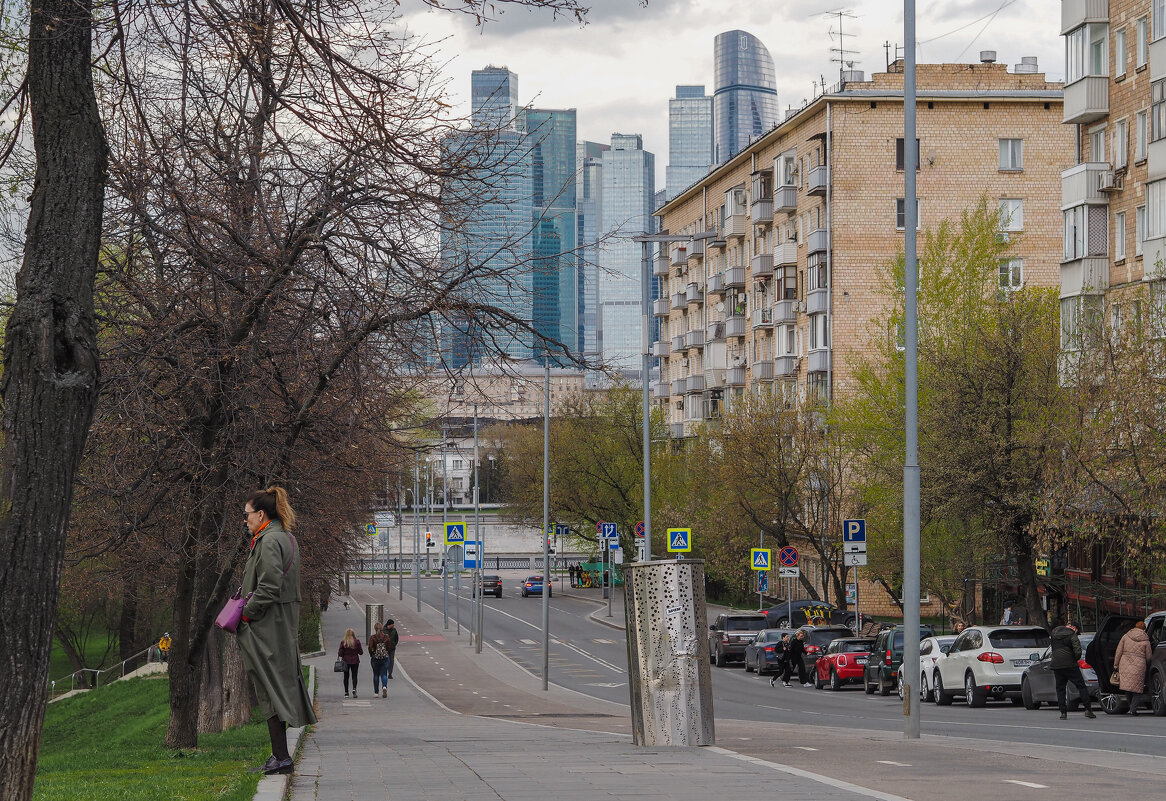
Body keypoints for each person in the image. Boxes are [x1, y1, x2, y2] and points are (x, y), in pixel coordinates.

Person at [237, 486, 316, 776]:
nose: (244, 520)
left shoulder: (269, 541)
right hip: (280, 622)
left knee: (269, 688)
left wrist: (246, 612)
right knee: (274, 687)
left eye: (246, 515)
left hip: (268, 625)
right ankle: (279, 756)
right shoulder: (285, 537)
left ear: (261, 514)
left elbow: (269, 587)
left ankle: (281, 758)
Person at [1049, 619, 1096, 720]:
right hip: (1070, 665)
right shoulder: (1071, 634)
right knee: (1081, 686)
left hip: (1056, 665)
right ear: (1074, 628)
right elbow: (1078, 651)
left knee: (1060, 689)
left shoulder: (1054, 633)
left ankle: (1063, 713)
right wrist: (1074, 658)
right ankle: (1088, 710)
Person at [1114, 621, 1153, 715]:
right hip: (1139, 665)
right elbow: (1149, 657)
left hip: (1125, 663)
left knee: (1127, 687)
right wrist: (1148, 664)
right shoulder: (1146, 640)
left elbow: (1118, 651)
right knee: (1137, 689)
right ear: (1144, 629)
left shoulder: (1126, 636)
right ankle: (1133, 709)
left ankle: (1131, 707)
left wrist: (1116, 665)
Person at [338, 627, 363, 697]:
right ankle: (354, 690)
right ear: (353, 634)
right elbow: (361, 652)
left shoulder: (343, 642)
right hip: (355, 661)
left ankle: (346, 692)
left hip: (345, 661)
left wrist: (344, 653)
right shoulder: (357, 641)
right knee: (354, 676)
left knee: (346, 676)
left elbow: (340, 653)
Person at [368, 622, 391, 698]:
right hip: (384, 658)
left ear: (375, 629)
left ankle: (376, 692)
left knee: (376, 675)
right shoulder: (386, 637)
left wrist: (372, 654)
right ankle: (384, 686)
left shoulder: (372, 637)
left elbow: (370, 647)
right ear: (382, 628)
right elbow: (388, 647)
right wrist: (385, 652)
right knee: (384, 674)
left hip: (375, 658)